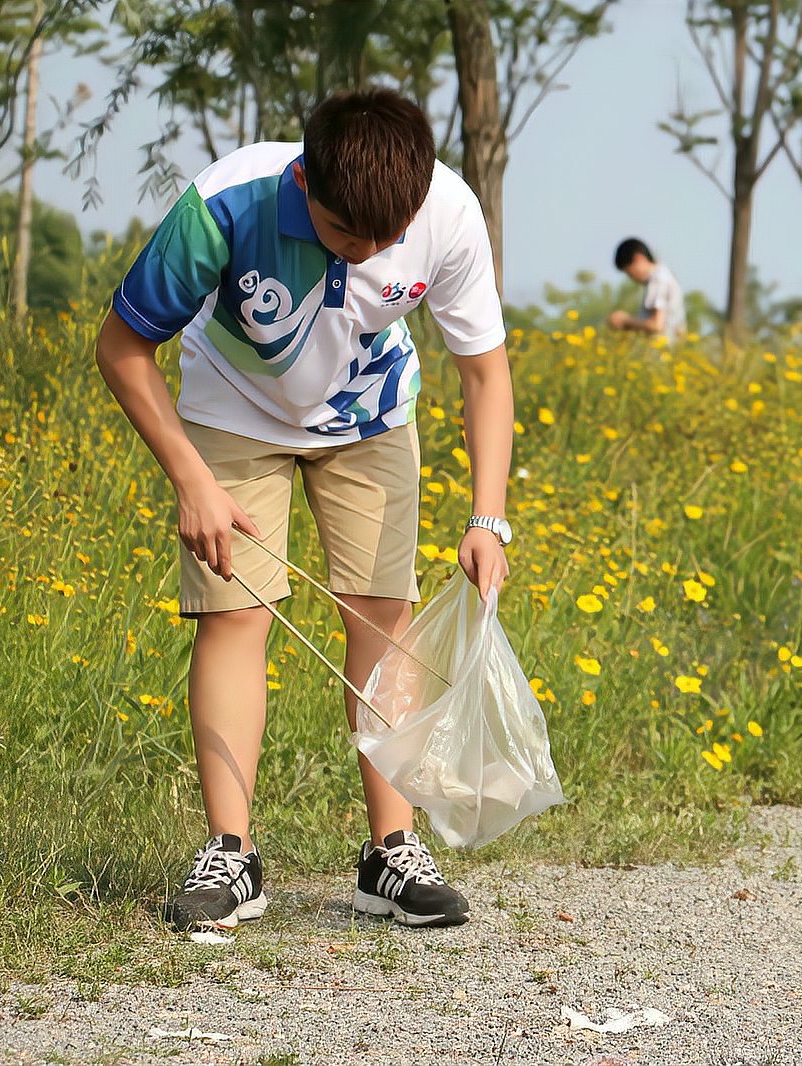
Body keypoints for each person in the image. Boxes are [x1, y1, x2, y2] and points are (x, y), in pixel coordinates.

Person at [95, 89, 516, 931]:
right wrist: (191, 479)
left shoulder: (449, 212)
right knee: (235, 618)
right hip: (233, 417)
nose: (367, 254)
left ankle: (389, 856)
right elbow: (122, 346)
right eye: (342, 236)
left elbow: (485, 372)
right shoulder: (225, 205)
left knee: (381, 621)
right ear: (303, 184)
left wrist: (487, 518)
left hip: (370, 420)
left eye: (385, 241)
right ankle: (232, 854)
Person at [607, 237, 686, 338]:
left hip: (662, 349)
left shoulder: (658, 280)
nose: (631, 277)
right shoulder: (664, 275)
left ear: (638, 258)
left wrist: (625, 320)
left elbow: (657, 325)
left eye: (629, 272)